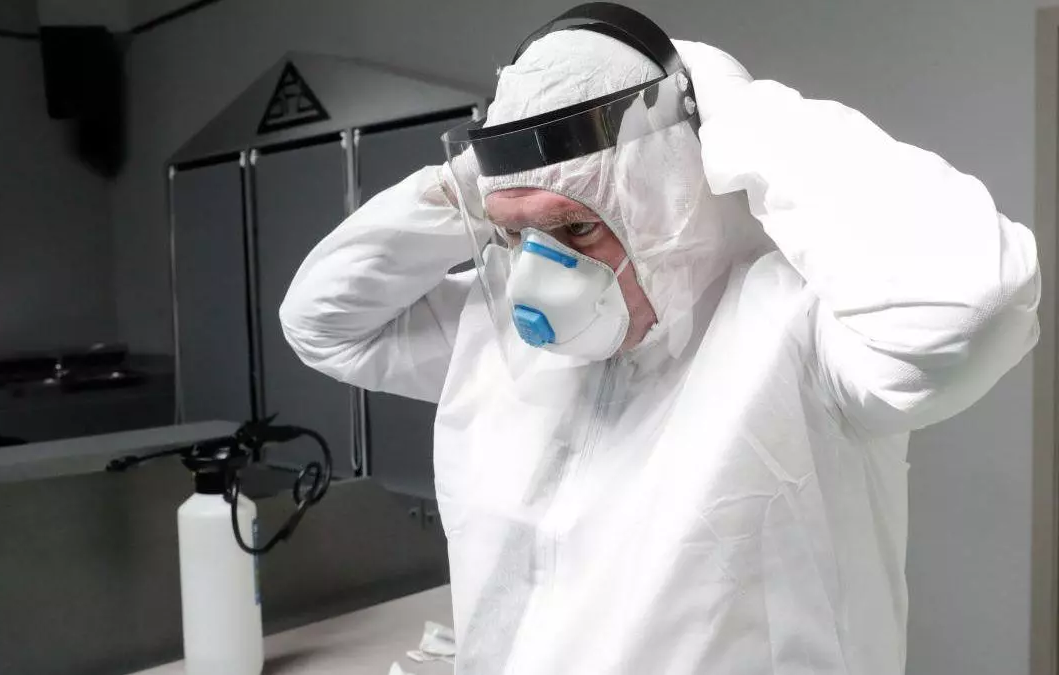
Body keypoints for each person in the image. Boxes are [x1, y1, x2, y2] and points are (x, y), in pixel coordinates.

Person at [279, 4, 1040, 673]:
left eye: (577, 227)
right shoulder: (504, 333)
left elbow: (972, 304)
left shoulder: (798, 330)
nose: (540, 276)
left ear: (664, 191)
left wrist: (729, 111)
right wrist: (473, 183)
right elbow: (322, 321)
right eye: (514, 233)